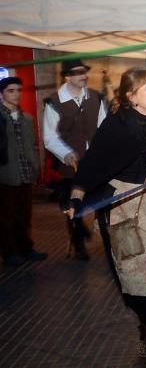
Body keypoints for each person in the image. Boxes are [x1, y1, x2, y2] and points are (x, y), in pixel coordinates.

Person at [66, 68, 146, 367]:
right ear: (131, 96)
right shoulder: (116, 125)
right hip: (123, 207)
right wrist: (76, 194)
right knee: (135, 276)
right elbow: (94, 163)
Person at [44, 58, 107, 260]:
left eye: (84, 71)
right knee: (74, 206)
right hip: (71, 164)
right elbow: (49, 137)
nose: (83, 75)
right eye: (78, 72)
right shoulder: (54, 102)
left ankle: (109, 242)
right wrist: (66, 153)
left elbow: (104, 128)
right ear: (67, 77)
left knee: (104, 204)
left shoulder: (96, 98)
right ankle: (79, 244)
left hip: (96, 162)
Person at [0, 77, 46, 267]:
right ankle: (10, 252)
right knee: (5, 216)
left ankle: (26, 248)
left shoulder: (27, 118)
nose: (16, 94)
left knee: (24, 215)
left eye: (18, 90)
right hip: (5, 174)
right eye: (11, 90)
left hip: (26, 173)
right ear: (2, 93)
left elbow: (32, 145)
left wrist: (36, 168)